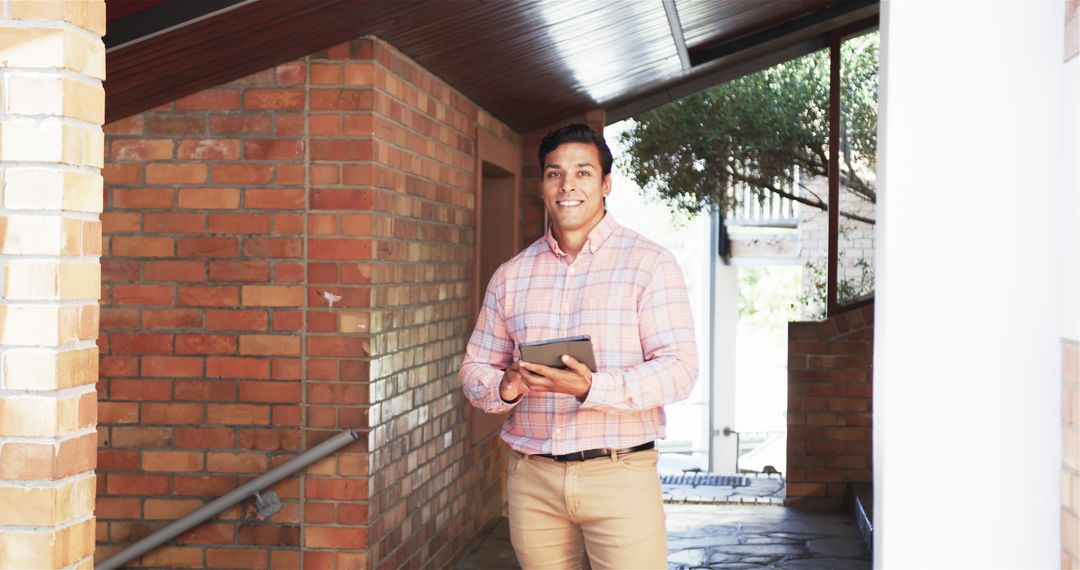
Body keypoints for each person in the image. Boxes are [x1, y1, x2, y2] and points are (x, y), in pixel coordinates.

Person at [460, 123, 698, 569]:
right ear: (542, 186)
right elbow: (474, 370)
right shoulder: (511, 276)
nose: (568, 185)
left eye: (583, 173)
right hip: (534, 479)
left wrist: (592, 388)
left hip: (620, 476)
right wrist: (506, 385)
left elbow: (680, 370)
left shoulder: (650, 265)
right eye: (555, 174)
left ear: (606, 184)